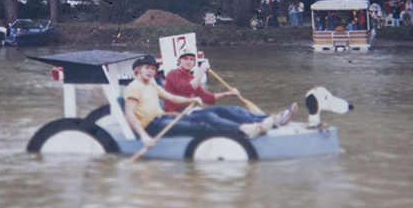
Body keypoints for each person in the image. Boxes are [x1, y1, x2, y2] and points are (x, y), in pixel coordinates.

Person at [124, 55, 296, 148]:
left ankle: (265, 120)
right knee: (205, 124)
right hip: (152, 126)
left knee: (221, 112)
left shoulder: (152, 85)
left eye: (153, 69)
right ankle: (243, 130)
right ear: (138, 70)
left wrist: (226, 94)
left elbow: (176, 97)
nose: (151, 71)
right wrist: (144, 136)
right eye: (147, 68)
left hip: (166, 117)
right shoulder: (136, 87)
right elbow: (129, 114)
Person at [163, 50, 297, 132]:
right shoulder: (173, 74)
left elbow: (206, 98)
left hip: (190, 111)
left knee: (233, 109)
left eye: (191, 60)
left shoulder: (192, 77)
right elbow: (186, 88)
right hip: (178, 114)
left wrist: (228, 94)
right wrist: (201, 70)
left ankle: (271, 119)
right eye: (185, 59)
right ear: (178, 61)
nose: (188, 62)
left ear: (194, 63)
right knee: (221, 112)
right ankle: (265, 122)